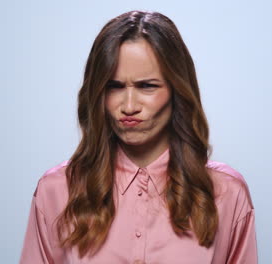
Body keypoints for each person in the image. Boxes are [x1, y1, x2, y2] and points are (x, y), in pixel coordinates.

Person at [20, 10, 257, 264]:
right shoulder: (56, 191)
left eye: (147, 86)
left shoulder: (226, 193)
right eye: (115, 86)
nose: (129, 105)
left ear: (177, 90)